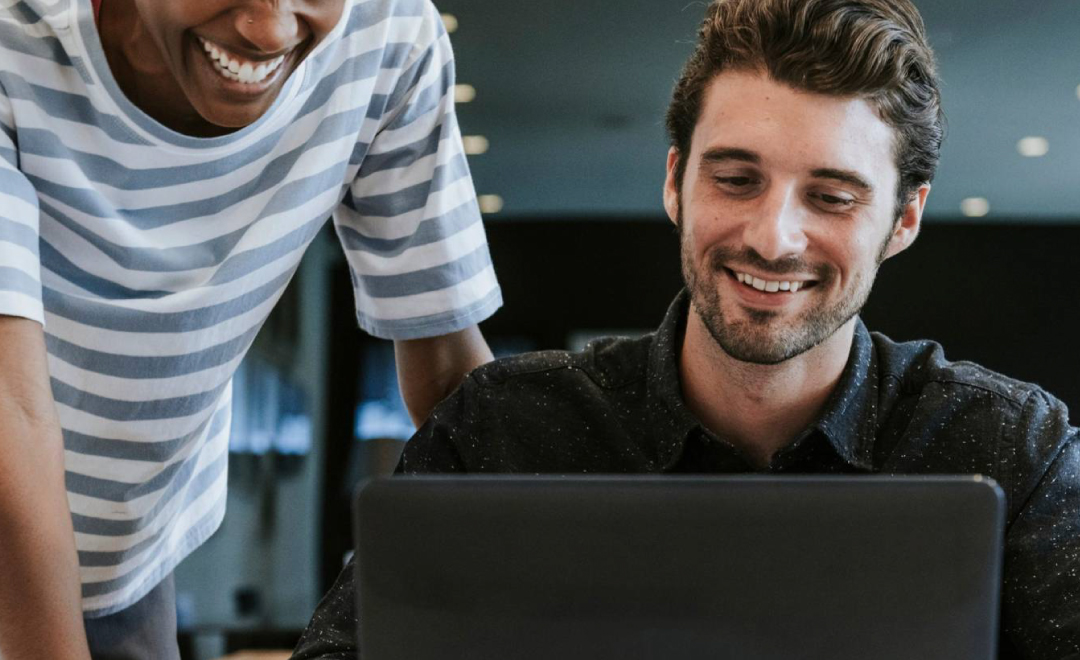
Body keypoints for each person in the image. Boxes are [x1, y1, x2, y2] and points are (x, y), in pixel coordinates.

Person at [289, 0, 1080, 657]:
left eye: (832, 197)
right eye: (736, 180)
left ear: (904, 218)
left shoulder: (1015, 450)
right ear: (676, 182)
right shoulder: (500, 429)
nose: (773, 237)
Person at [0, 0, 502, 656]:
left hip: (127, 567)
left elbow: (449, 377)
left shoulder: (388, 36)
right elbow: (12, 413)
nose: (269, 31)